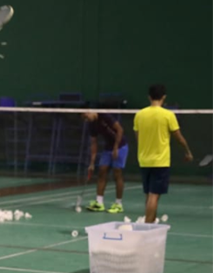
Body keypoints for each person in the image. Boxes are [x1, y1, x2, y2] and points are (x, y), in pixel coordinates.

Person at [134, 84, 192, 223]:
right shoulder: (168, 115)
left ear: (149, 97)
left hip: (144, 160)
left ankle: (150, 222)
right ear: (164, 97)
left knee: (148, 195)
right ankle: (148, 227)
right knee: (154, 196)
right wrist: (187, 151)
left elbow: (138, 137)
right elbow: (178, 137)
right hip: (160, 161)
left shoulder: (139, 115)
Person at [82, 112, 129, 213]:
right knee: (102, 171)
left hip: (120, 146)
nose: (86, 119)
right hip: (108, 148)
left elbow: (120, 130)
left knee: (117, 174)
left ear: (90, 111)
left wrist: (116, 148)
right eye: (84, 118)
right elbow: (94, 143)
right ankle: (99, 202)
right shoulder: (91, 125)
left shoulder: (105, 116)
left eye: (86, 116)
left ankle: (118, 204)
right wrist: (92, 163)